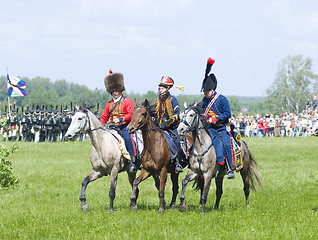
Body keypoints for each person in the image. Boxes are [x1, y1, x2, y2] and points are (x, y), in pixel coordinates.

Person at [198, 57, 235, 179]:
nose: (204, 93)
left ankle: (230, 168)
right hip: (208, 128)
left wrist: (216, 119)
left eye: (206, 91)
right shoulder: (204, 100)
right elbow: (201, 111)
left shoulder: (222, 99)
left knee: (226, 144)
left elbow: (227, 114)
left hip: (220, 128)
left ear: (212, 90)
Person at [100, 69, 138, 173]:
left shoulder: (127, 101)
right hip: (112, 127)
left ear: (121, 90)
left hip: (125, 126)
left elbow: (131, 114)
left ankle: (133, 162)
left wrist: (121, 119)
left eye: (117, 90)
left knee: (128, 138)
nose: (115, 93)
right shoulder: (109, 104)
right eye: (113, 91)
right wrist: (99, 128)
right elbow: (104, 117)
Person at [154, 76, 184, 173]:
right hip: (160, 127)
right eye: (159, 88)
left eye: (162, 88)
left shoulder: (173, 100)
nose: (160, 90)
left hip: (171, 127)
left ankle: (178, 163)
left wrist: (166, 124)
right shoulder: (158, 100)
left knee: (176, 142)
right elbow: (155, 113)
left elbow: (176, 116)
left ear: (167, 88)